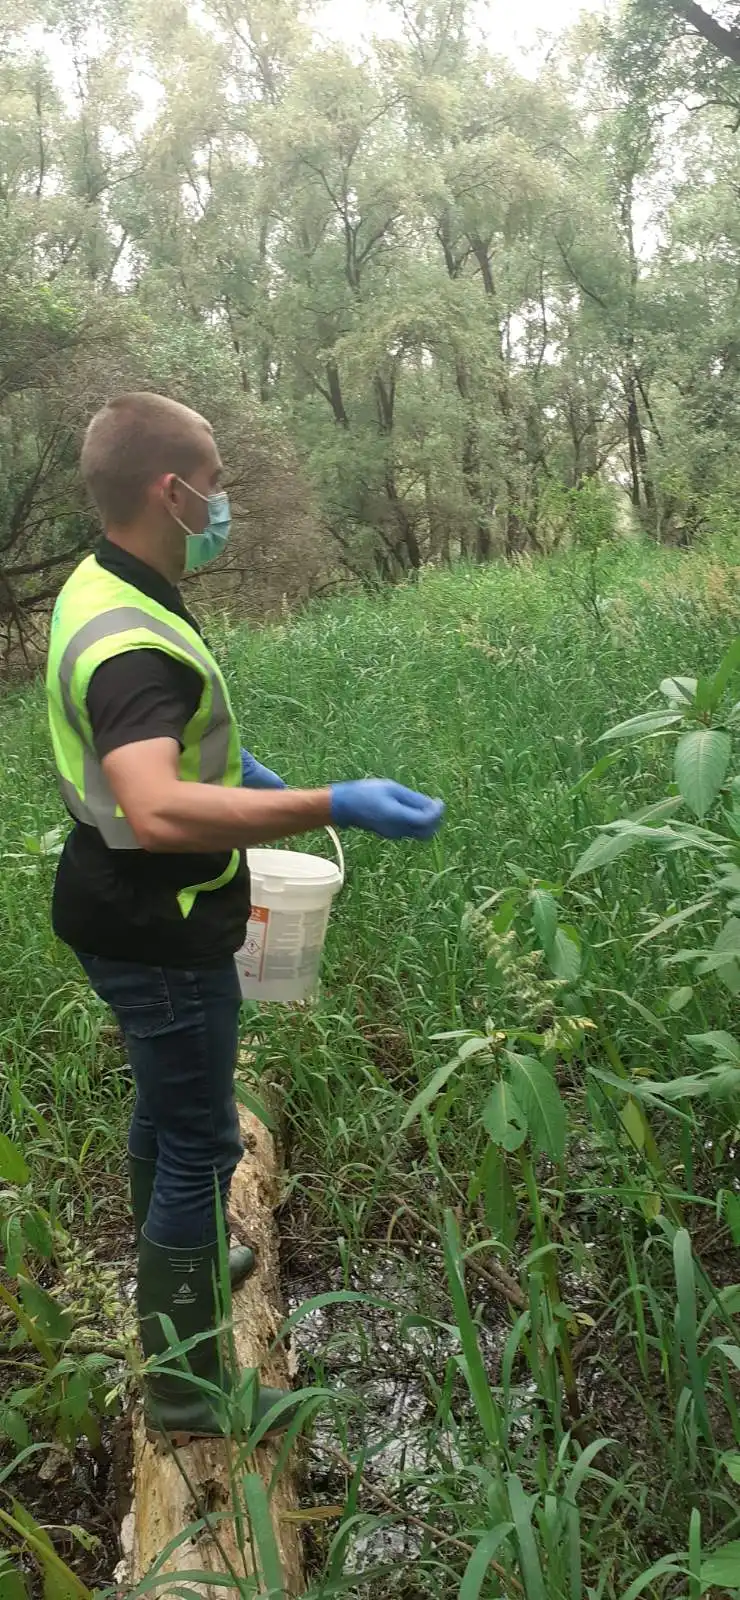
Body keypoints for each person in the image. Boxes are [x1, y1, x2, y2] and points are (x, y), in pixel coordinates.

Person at [45, 392, 445, 1445]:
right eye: (215, 479)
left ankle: (166, 1253)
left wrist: (246, 772)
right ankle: (185, 1390)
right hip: (159, 920)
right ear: (170, 492)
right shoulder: (134, 635)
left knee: (165, 1104)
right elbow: (156, 801)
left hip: (112, 901)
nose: (224, 499)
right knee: (200, 1139)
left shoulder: (104, 582)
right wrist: (327, 802)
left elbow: (156, 758)